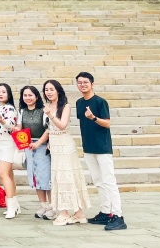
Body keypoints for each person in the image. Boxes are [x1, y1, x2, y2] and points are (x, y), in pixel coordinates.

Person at [75, 72, 126, 231]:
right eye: (79, 82)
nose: (82, 85)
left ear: (92, 84)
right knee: (98, 181)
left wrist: (93, 118)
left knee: (109, 181)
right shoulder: (79, 103)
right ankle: (105, 212)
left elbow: (107, 123)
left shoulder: (100, 102)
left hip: (102, 148)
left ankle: (118, 216)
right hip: (88, 147)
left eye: (85, 82)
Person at [44, 79, 91, 226]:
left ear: (58, 91)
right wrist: (49, 141)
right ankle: (78, 213)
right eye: (46, 90)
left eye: (51, 89)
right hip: (55, 145)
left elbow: (62, 125)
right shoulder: (47, 106)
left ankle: (65, 213)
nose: (49, 92)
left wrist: (50, 115)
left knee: (67, 177)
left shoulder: (65, 106)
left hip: (65, 145)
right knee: (59, 177)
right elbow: (50, 128)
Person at [19, 85, 52, 219]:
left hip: (42, 145)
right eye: (25, 95)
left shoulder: (43, 110)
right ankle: (43, 205)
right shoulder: (22, 111)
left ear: (37, 96)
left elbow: (48, 129)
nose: (28, 98)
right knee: (35, 176)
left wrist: (38, 143)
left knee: (46, 176)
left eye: (30, 95)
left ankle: (52, 206)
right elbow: (20, 128)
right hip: (28, 146)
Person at [0, 83, 21, 219]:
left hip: (8, 143)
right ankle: (15, 204)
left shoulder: (10, 108)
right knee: (9, 174)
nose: (1, 94)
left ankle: (11, 206)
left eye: (4, 92)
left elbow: (11, 125)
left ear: (9, 94)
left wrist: (3, 121)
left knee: (2, 173)